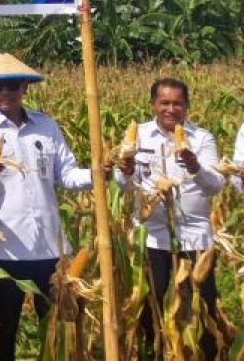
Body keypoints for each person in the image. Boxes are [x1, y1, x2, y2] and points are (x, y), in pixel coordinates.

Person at [0, 53, 91, 361]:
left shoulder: (45, 127)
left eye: (12, 85)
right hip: (5, 251)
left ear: (24, 87)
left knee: (56, 330)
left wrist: (100, 174)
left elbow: (66, 174)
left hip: (49, 249)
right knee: (5, 332)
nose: (5, 93)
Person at [112, 77, 225, 358]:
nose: (171, 109)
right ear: (153, 104)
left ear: (187, 106)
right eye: (165, 103)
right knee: (151, 306)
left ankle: (207, 353)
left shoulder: (201, 138)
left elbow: (216, 185)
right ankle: (155, 351)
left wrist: (195, 165)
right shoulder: (139, 135)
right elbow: (124, 185)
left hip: (195, 236)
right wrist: (125, 170)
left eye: (178, 103)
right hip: (152, 236)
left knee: (203, 305)